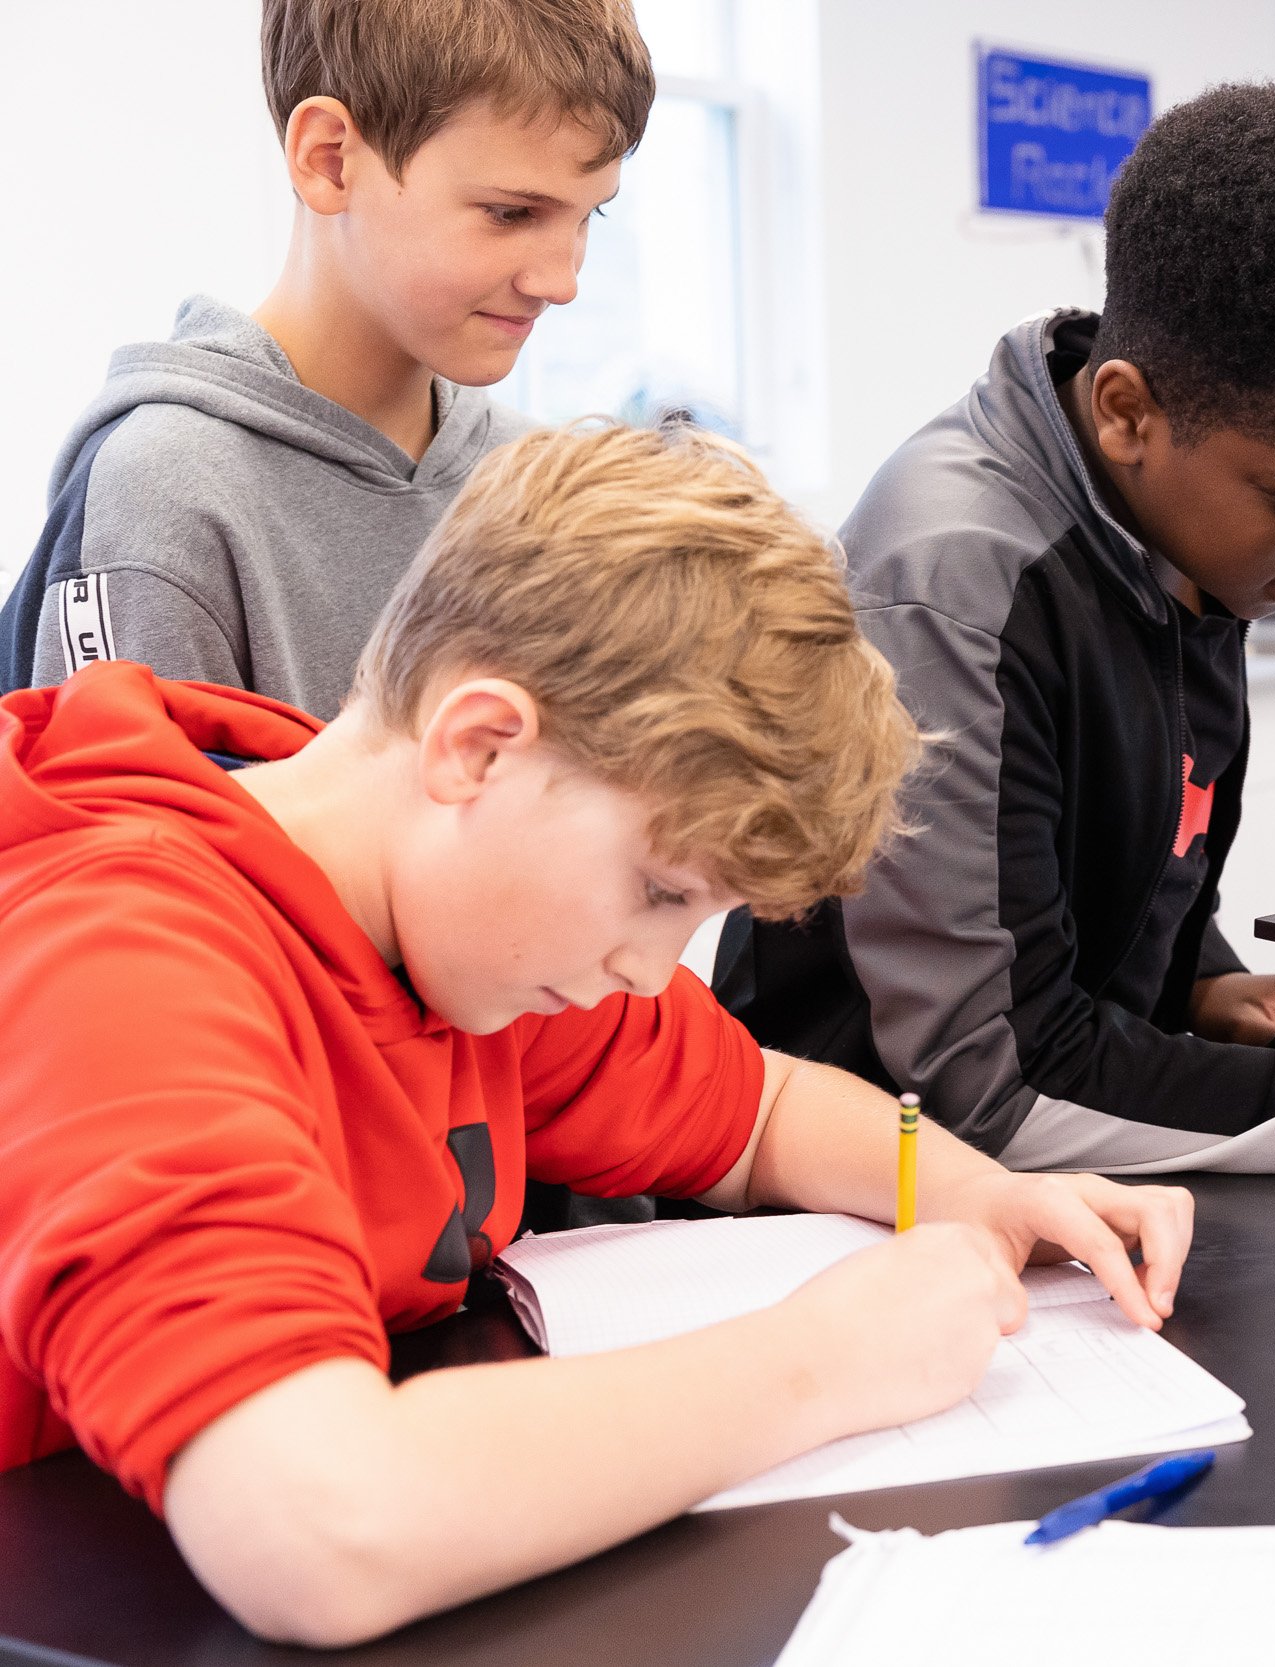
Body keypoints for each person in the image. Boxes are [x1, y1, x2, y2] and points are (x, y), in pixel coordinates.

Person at [0, 424, 1195, 1646]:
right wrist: (828, 1359)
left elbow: (758, 1112)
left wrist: (975, 1194)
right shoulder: (128, 953)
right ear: (479, 746)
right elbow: (315, 1525)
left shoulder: (440, 933)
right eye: (660, 892)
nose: (649, 966)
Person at [718, 83, 1275, 1173]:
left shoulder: (1180, 520)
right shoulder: (955, 581)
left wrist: (1199, 982)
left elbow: (1106, 864)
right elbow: (987, 1080)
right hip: (868, 1191)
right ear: (1128, 412)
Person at [0, 0, 649, 719]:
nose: (562, 282)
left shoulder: (541, 486)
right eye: (510, 213)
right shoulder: (164, 494)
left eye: (591, 214)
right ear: (329, 160)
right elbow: (124, 827)